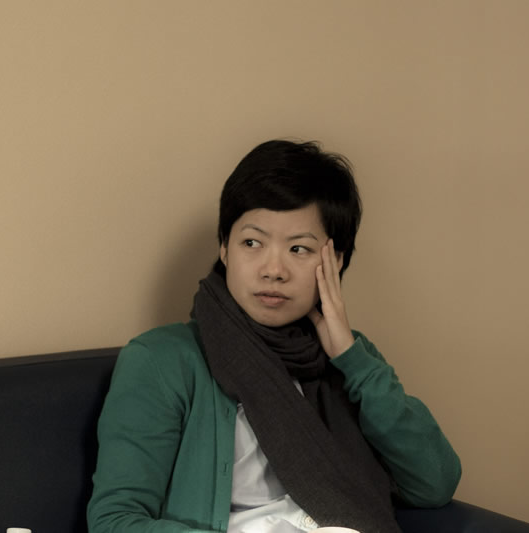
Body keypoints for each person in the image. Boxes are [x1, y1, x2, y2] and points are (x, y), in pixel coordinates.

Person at [87, 140, 461, 533]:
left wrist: (351, 359)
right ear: (224, 248)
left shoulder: (348, 358)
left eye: (299, 249)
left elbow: (433, 484)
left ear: (335, 261)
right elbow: (115, 522)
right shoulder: (162, 359)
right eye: (252, 243)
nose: (273, 270)